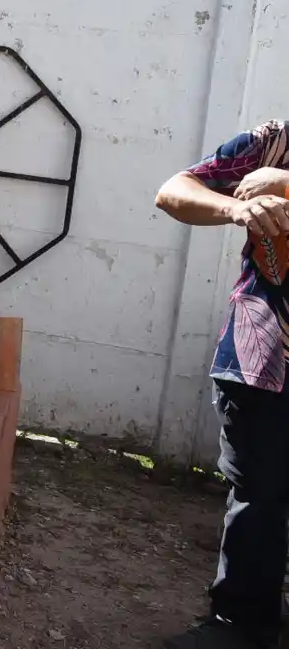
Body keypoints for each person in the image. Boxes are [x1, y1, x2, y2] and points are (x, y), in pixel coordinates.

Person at [156, 120, 289, 649]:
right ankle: (241, 626)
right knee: (257, 495)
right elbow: (174, 191)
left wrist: (281, 184)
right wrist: (237, 207)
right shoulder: (272, 140)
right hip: (263, 355)